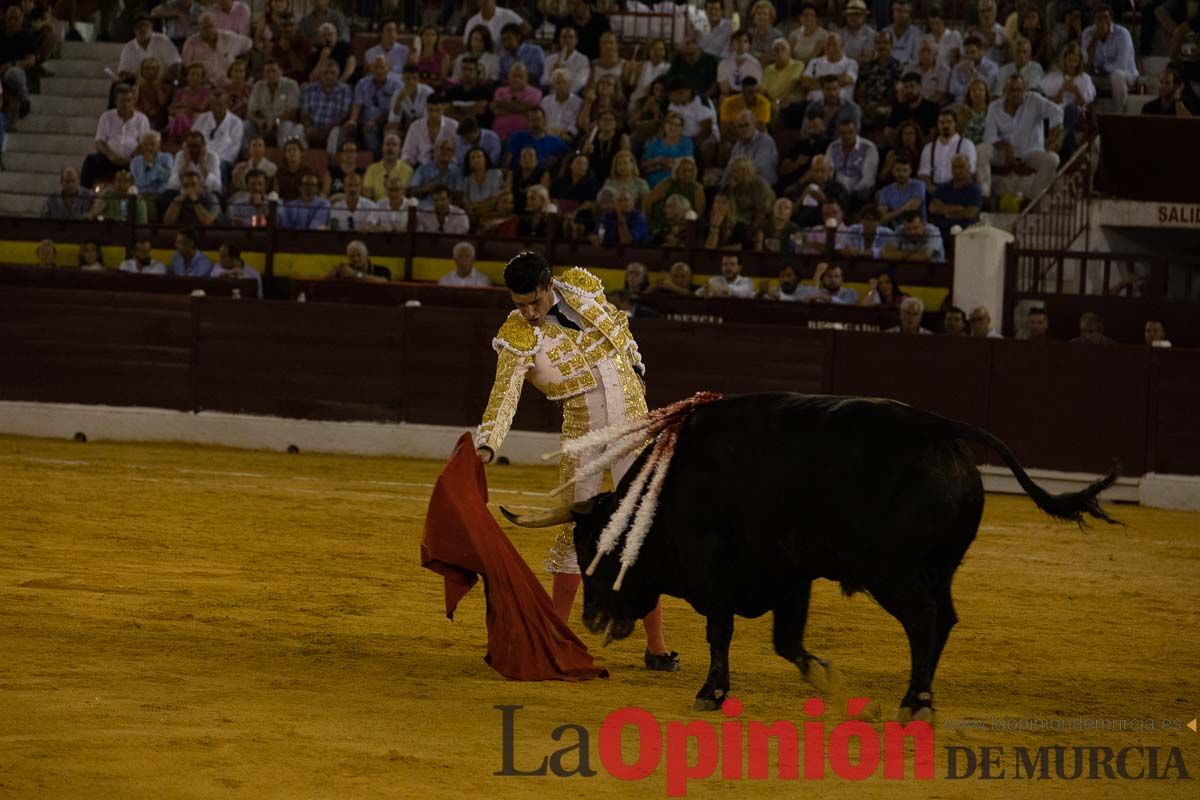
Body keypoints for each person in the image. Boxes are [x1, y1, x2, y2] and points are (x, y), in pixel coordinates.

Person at [474, 252, 677, 670]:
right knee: (573, 533)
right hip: (582, 433)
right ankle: (553, 643)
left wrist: (637, 366)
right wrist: (487, 445)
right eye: (519, 304)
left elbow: (621, 329)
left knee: (640, 534)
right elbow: (505, 392)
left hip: (634, 425)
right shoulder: (517, 334)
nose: (528, 313)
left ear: (550, 286)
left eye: (534, 302)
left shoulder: (582, 286)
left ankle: (657, 648)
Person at [82, 85, 151, 188]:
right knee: (91, 161)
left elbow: (144, 143)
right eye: (122, 101)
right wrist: (111, 156)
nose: (126, 104)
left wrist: (131, 157)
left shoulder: (141, 119)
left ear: (133, 101)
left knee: (146, 164)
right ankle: (84, 195)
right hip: (110, 159)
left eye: (129, 100)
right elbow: (100, 141)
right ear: (116, 102)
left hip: (132, 161)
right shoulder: (106, 117)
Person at [1082, 5, 1138, 112]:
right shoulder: (1088, 33)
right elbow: (1086, 62)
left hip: (1127, 75)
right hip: (1099, 75)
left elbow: (1121, 64)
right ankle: (1086, 115)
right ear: (1094, 20)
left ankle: (1119, 115)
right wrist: (1094, 41)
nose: (1103, 21)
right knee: (1082, 76)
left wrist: (1101, 69)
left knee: (1116, 75)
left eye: (1106, 17)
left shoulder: (1122, 33)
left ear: (1111, 19)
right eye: (1099, 18)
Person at [325, 240, 391, 283]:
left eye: (359, 255)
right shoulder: (346, 269)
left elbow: (384, 282)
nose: (356, 259)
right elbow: (322, 282)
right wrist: (332, 274)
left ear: (367, 255)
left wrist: (355, 274)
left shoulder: (383, 270)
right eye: (352, 256)